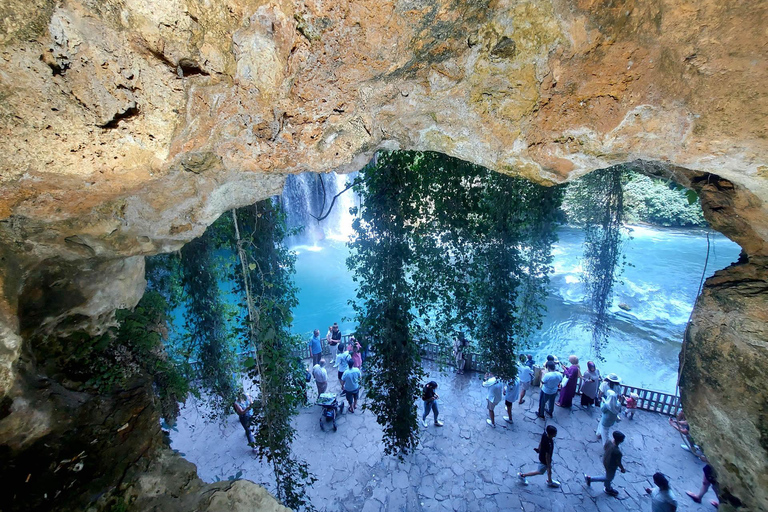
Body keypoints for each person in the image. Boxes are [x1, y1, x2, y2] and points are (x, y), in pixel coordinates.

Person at [585, 430, 627, 496]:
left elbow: (605, 447)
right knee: (609, 478)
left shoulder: (608, 441)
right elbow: (618, 462)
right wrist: (622, 469)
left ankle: (607, 487)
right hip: (611, 466)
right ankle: (590, 479)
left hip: (606, 460)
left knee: (608, 477)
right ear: (620, 441)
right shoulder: (617, 452)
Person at [596, 373, 622, 442]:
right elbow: (619, 396)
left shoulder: (604, 384)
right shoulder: (618, 386)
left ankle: (600, 434)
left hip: (605, 400)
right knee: (604, 417)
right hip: (614, 401)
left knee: (604, 416)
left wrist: (599, 398)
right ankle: (598, 433)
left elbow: (600, 392)